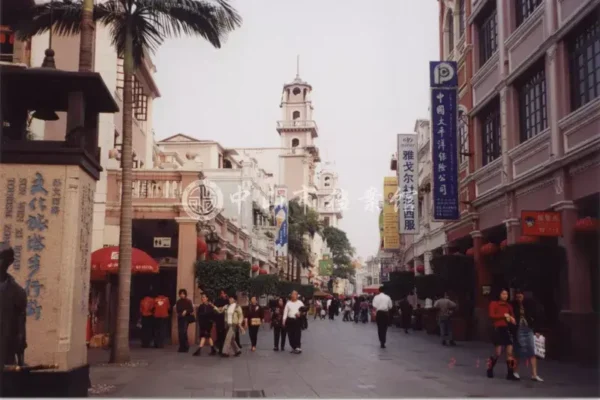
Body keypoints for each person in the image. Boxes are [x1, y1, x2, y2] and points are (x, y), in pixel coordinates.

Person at [511, 290, 543, 382]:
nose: (519, 299)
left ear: (523, 296)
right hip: (518, 329)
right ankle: (515, 372)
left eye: (520, 296)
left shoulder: (530, 304)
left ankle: (534, 374)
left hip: (528, 329)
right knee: (518, 351)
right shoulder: (513, 305)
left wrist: (536, 330)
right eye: (517, 297)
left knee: (532, 351)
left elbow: (536, 315)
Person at [487, 289, 519, 380]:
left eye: (507, 294)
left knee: (510, 353)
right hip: (498, 329)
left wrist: (512, 319)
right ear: (499, 295)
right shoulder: (494, 303)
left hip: (507, 329)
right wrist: (504, 316)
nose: (505, 296)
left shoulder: (509, 306)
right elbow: (491, 315)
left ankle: (510, 373)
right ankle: (490, 368)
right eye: (503, 294)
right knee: (498, 352)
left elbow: (512, 316)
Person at [175, 289, 194, 353]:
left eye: (183, 294)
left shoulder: (188, 301)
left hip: (186, 318)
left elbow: (191, 309)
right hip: (180, 318)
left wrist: (186, 311)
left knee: (184, 332)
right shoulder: (178, 302)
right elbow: (177, 310)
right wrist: (181, 313)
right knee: (180, 333)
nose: (182, 295)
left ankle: (186, 346)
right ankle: (181, 347)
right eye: (181, 294)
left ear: (185, 294)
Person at [213, 289, 229, 355]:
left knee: (224, 335)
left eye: (223, 293)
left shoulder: (227, 301)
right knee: (219, 334)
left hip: (225, 320)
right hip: (218, 319)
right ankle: (220, 349)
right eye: (221, 293)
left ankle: (223, 349)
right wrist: (218, 308)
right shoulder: (217, 300)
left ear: (225, 294)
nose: (222, 294)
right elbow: (214, 308)